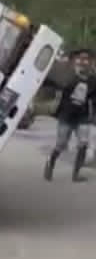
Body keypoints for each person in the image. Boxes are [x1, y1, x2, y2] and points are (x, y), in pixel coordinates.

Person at [44, 47, 96, 182]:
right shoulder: (68, 76)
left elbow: (94, 98)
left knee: (83, 144)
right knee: (61, 144)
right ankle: (50, 162)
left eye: (86, 59)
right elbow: (57, 85)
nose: (83, 61)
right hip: (66, 115)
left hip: (82, 117)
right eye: (81, 58)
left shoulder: (93, 80)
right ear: (76, 60)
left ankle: (76, 174)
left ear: (90, 62)